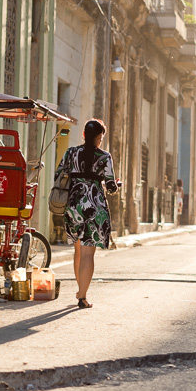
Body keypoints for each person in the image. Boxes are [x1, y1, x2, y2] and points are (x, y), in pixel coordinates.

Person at [54, 118, 118, 309]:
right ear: (100, 137)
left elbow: (59, 175)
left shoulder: (70, 153)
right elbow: (111, 186)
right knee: (89, 254)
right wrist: (114, 186)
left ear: (83, 135)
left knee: (78, 251)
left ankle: (80, 290)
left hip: (74, 206)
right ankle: (82, 295)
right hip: (95, 209)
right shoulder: (104, 157)